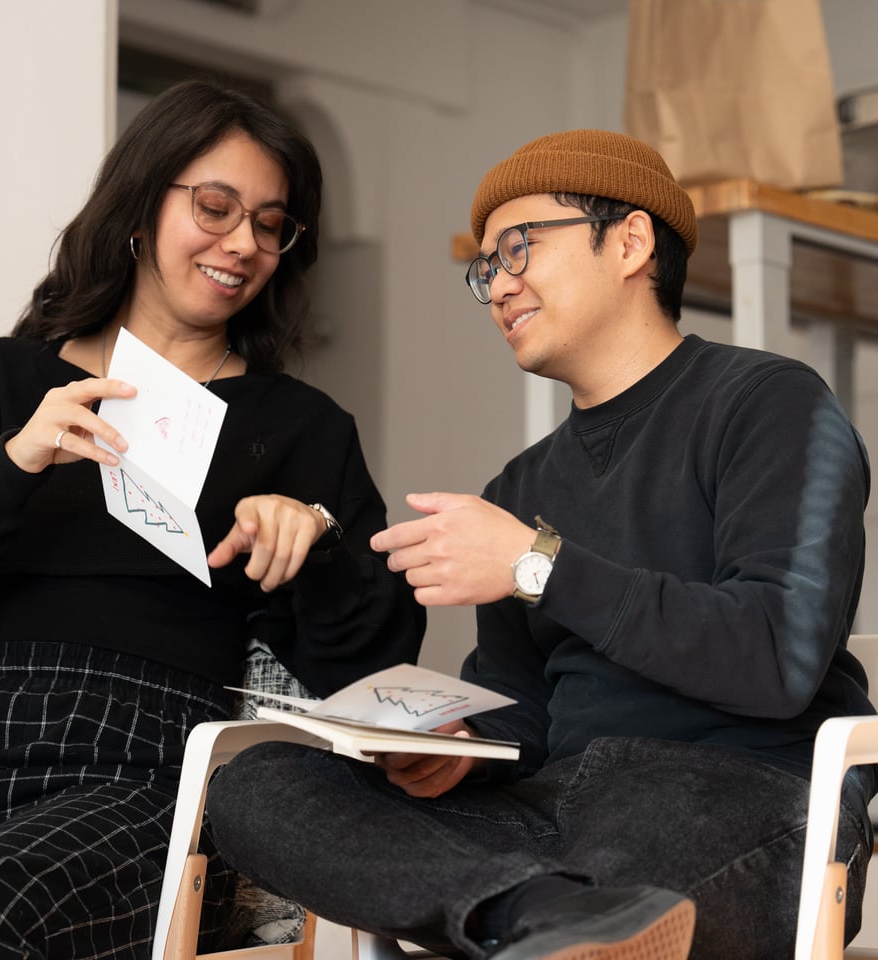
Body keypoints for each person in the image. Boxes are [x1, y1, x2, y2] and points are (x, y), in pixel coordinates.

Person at [204, 129, 878, 960]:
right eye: (485, 268)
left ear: (630, 242)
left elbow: (779, 657)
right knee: (257, 786)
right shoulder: (519, 488)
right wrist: (459, 757)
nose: (498, 286)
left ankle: (545, 917)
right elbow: (525, 704)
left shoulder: (771, 405)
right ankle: (544, 917)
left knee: (617, 851)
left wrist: (537, 564)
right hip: (557, 811)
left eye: (518, 249)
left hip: (737, 791)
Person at [0, 78, 424, 959]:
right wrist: (8, 468)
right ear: (141, 207)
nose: (244, 245)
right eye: (217, 208)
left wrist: (317, 548)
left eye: (271, 225)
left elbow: (373, 670)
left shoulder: (299, 427)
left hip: (141, 764)